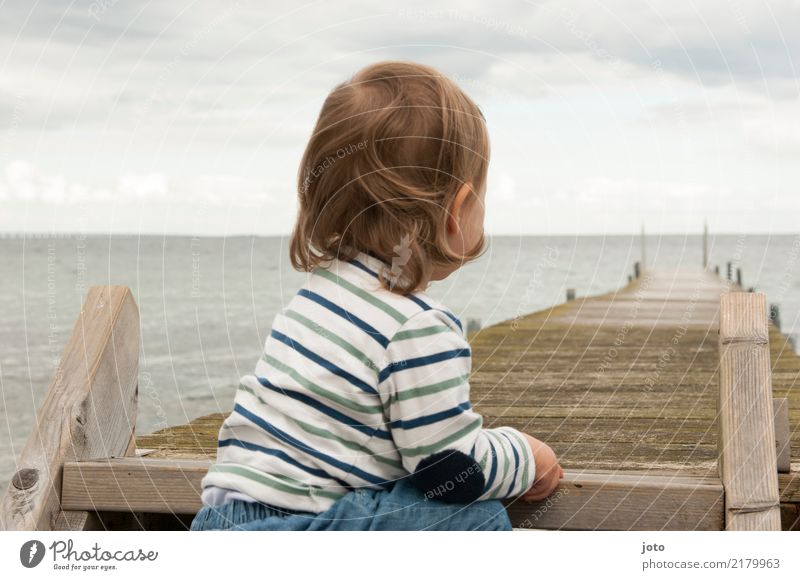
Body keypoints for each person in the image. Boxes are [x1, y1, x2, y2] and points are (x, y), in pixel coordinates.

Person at [191, 60, 563, 531]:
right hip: (294, 532)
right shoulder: (417, 327)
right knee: (478, 520)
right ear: (459, 209)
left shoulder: (318, 297)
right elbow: (449, 470)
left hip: (218, 523)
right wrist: (527, 457)